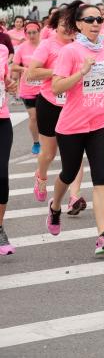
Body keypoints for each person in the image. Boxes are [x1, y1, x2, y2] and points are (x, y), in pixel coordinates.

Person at [49, 1, 104, 256]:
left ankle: (103, 235)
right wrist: (81, 72)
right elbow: (56, 87)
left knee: (101, 178)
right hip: (72, 124)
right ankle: (55, 207)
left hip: (102, 121)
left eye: (99, 19)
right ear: (78, 24)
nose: (96, 24)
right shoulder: (70, 52)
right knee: (69, 171)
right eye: (90, 20)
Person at [28, 8, 87, 214]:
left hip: (74, 105)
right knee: (49, 153)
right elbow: (30, 73)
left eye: (72, 25)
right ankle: (41, 176)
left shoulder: (80, 45)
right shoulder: (47, 45)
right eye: (64, 24)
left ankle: (74, 196)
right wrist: (58, 71)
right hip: (50, 104)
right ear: (56, 24)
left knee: (75, 154)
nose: (68, 29)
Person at [10, 22, 43, 154]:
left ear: (39, 32)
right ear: (25, 33)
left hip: (44, 88)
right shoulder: (22, 48)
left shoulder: (44, 46)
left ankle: (49, 139)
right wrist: (25, 68)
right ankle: (36, 142)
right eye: (28, 33)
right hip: (28, 88)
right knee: (33, 117)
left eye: (34, 32)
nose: (31, 35)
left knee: (45, 117)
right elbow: (14, 66)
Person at [0, 42, 18, 255]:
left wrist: (10, 84)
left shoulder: (2, 50)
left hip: (2, 121)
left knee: (1, 177)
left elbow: (5, 79)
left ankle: (0, 228)